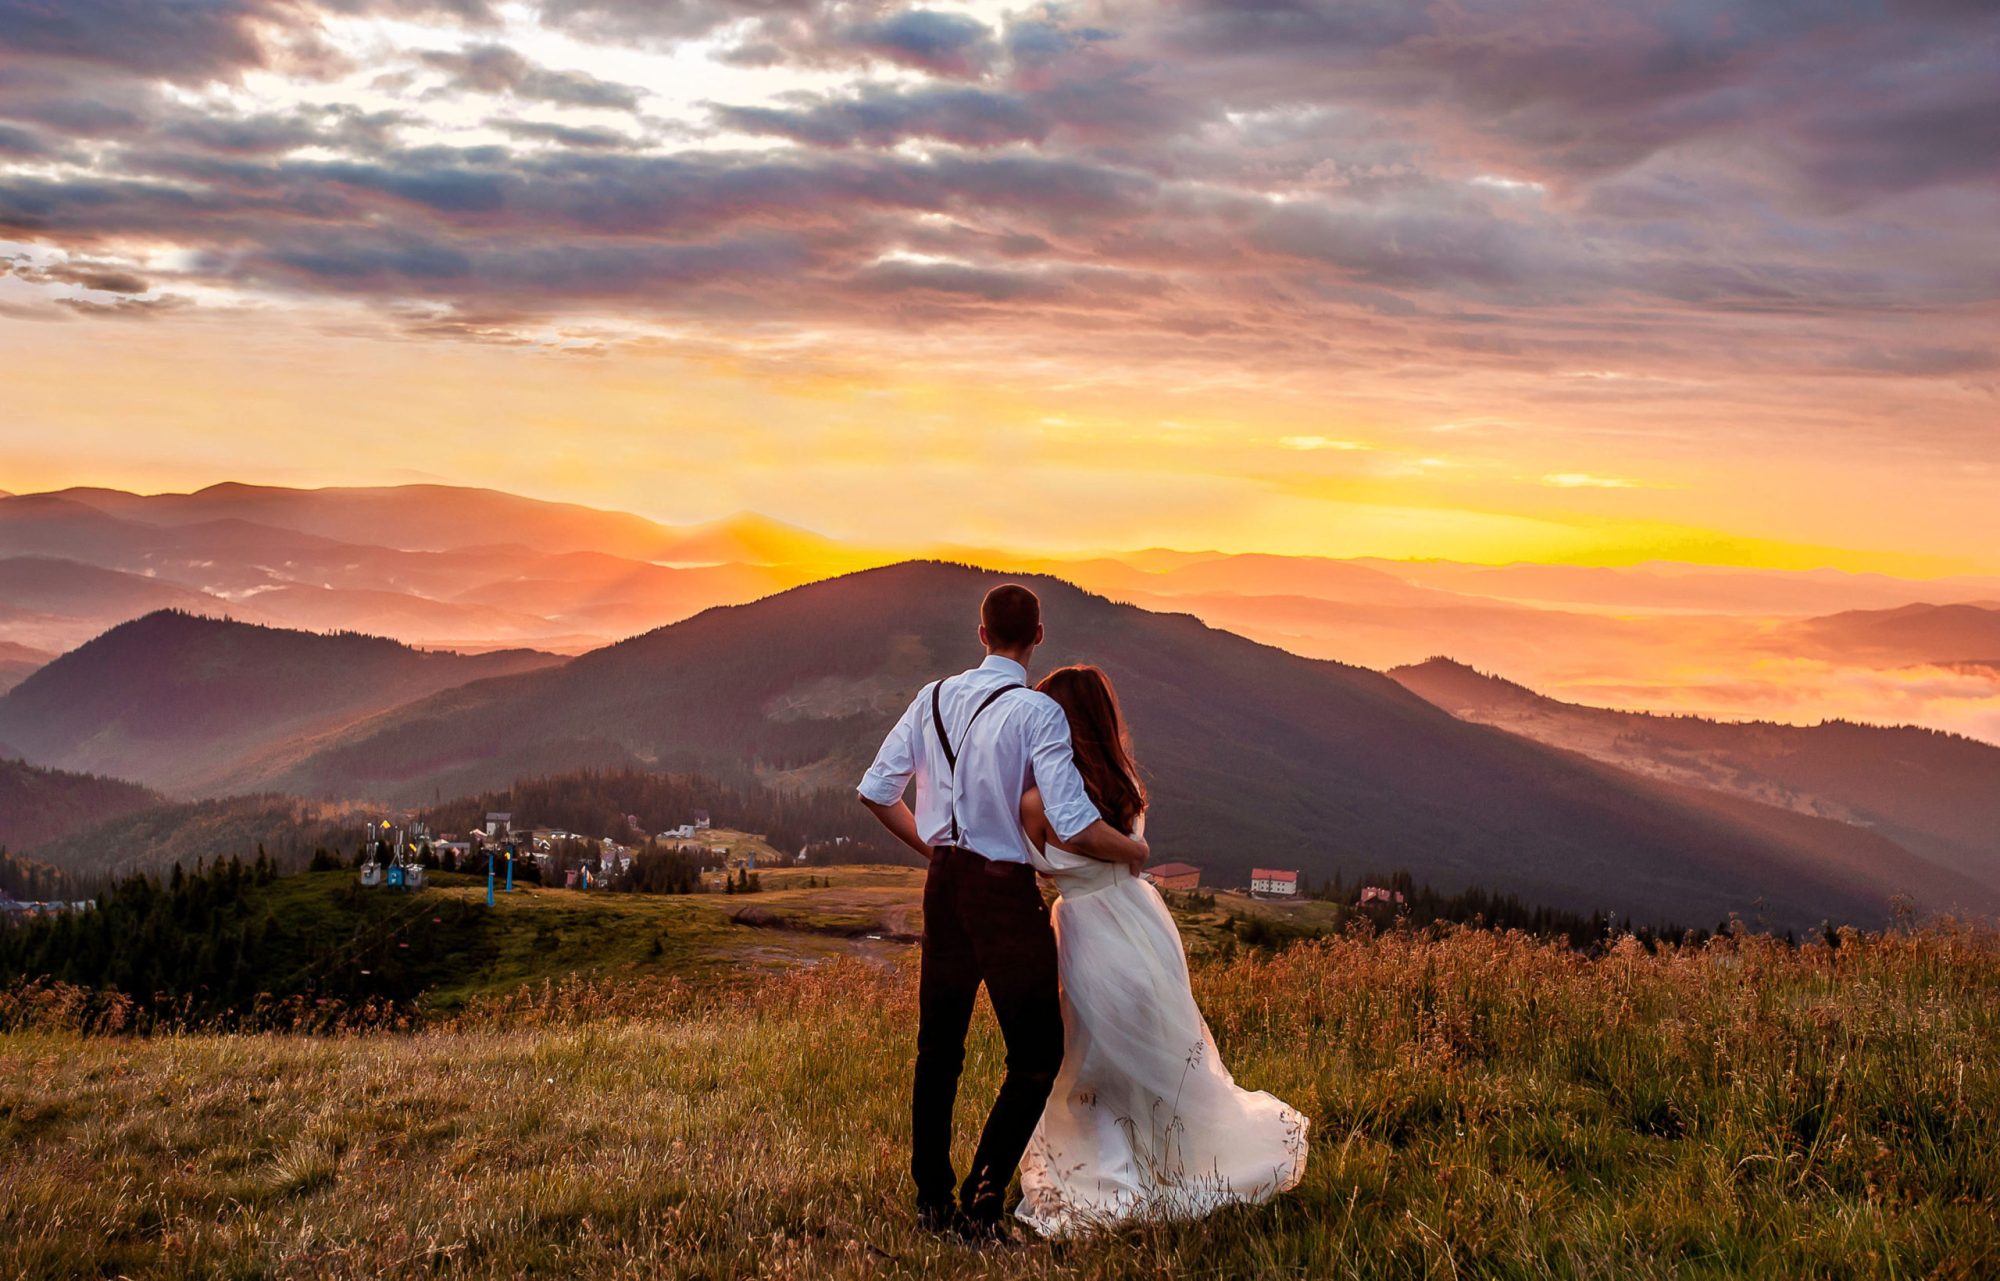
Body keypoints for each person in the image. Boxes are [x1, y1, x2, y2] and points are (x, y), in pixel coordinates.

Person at [858, 583, 1151, 1239]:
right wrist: (1136, 847)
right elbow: (1073, 823)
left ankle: (932, 1201)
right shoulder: (1036, 712)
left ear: (981, 632)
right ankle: (983, 1200)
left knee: (939, 1047)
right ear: (1037, 636)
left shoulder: (930, 697)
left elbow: (877, 789)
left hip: (944, 885)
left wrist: (933, 846)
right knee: (1037, 1052)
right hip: (1002, 892)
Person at [1014, 664, 1308, 1236]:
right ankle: (1164, 1161)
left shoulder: (1033, 801)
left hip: (1087, 930)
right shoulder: (1124, 787)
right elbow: (1118, 848)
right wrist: (1133, 850)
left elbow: (1060, 844)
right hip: (1142, 922)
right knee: (1150, 1049)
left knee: (1087, 1060)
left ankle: (1105, 1172)